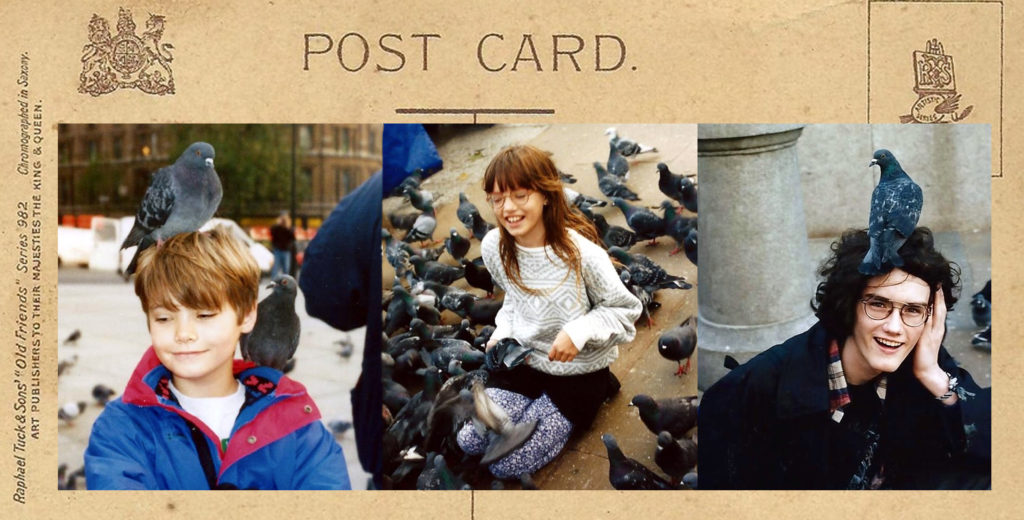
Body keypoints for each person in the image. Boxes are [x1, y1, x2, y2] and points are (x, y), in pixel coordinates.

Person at [699, 227, 991, 490]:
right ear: (848, 303)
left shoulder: (922, 358)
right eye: (878, 304)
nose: (894, 327)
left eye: (912, 310)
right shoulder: (752, 390)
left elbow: (992, 446)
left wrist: (935, 378)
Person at [84, 227, 350, 490]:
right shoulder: (119, 430)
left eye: (204, 315)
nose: (184, 333)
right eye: (164, 318)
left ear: (246, 316)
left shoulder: (300, 428)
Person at [455, 145, 642, 479]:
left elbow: (627, 311)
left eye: (520, 195)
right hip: (526, 361)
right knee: (470, 440)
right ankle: (543, 405)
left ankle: (598, 388)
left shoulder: (583, 256)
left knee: (504, 464)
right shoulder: (494, 247)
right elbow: (513, 298)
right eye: (497, 199)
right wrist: (502, 332)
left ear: (545, 194)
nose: (507, 208)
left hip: (576, 371)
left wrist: (579, 332)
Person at [269, 213, 296, 279]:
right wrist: (278, 224)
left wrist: (287, 227)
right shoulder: (277, 228)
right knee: (275, 269)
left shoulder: (289, 228)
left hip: (286, 251)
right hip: (277, 250)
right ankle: (274, 284)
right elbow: (272, 232)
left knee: (286, 269)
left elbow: (293, 238)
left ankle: (285, 285)